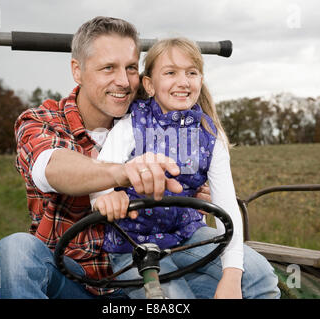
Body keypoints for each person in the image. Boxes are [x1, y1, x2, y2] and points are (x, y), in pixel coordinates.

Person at [0, 16, 279, 299]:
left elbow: (188, 120)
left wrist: (195, 190)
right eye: (107, 68)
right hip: (77, 279)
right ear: (77, 70)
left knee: (252, 280)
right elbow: (50, 167)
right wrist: (121, 174)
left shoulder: (154, 116)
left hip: (161, 261)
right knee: (14, 251)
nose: (123, 81)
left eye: (130, 68)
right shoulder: (43, 120)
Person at [89, 37, 279, 299]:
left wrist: (232, 276)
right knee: (170, 298)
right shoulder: (130, 127)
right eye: (170, 73)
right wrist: (106, 197)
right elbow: (100, 177)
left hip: (189, 237)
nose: (183, 81)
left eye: (192, 72)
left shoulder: (210, 134)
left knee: (260, 276)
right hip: (134, 245)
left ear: (201, 79)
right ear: (149, 84)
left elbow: (226, 206)